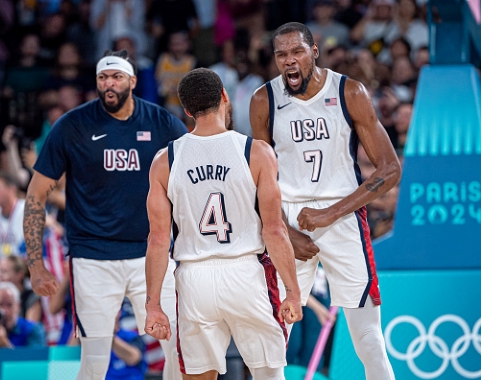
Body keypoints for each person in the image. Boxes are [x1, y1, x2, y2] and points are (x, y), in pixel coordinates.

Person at [23, 49, 188, 380]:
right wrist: (35, 262)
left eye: (116, 77)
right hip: (93, 258)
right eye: (102, 78)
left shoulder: (163, 123)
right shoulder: (72, 125)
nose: (109, 84)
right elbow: (36, 193)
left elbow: (192, 184)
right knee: (95, 358)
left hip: (151, 255)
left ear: (133, 81)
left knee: (177, 350)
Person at [249, 22, 401, 380]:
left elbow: (390, 169)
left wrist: (328, 214)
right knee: (274, 335)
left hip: (343, 215)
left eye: (297, 52)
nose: (289, 61)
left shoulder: (350, 92)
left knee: (367, 338)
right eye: (281, 54)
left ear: (314, 52)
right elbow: (259, 180)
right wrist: (284, 231)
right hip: (287, 217)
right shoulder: (263, 100)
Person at [144, 68, 303, 379]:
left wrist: (152, 305)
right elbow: (274, 230)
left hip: (194, 278)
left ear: (187, 111)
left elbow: (158, 239)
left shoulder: (165, 160)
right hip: (246, 272)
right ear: (225, 98)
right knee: (269, 374)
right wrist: (292, 290)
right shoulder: (256, 152)